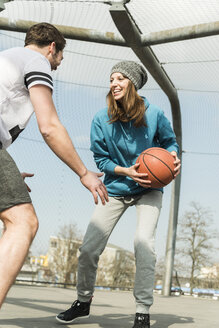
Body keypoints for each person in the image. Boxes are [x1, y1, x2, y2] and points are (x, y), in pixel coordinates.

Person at [56, 61, 181, 328]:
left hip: (149, 188)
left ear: (132, 84)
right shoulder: (102, 119)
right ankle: (83, 302)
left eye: (121, 78)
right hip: (116, 187)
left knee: (143, 243)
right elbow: (100, 159)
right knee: (89, 248)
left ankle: (142, 311)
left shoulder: (154, 113)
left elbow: (170, 142)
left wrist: (173, 156)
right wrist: (124, 170)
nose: (114, 83)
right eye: (112, 78)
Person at [0, 22, 108, 309]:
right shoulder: (37, 61)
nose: (58, 64)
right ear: (52, 48)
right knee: (22, 222)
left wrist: (9, 173)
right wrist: (84, 173)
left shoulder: (8, 58)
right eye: (60, 57)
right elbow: (49, 126)